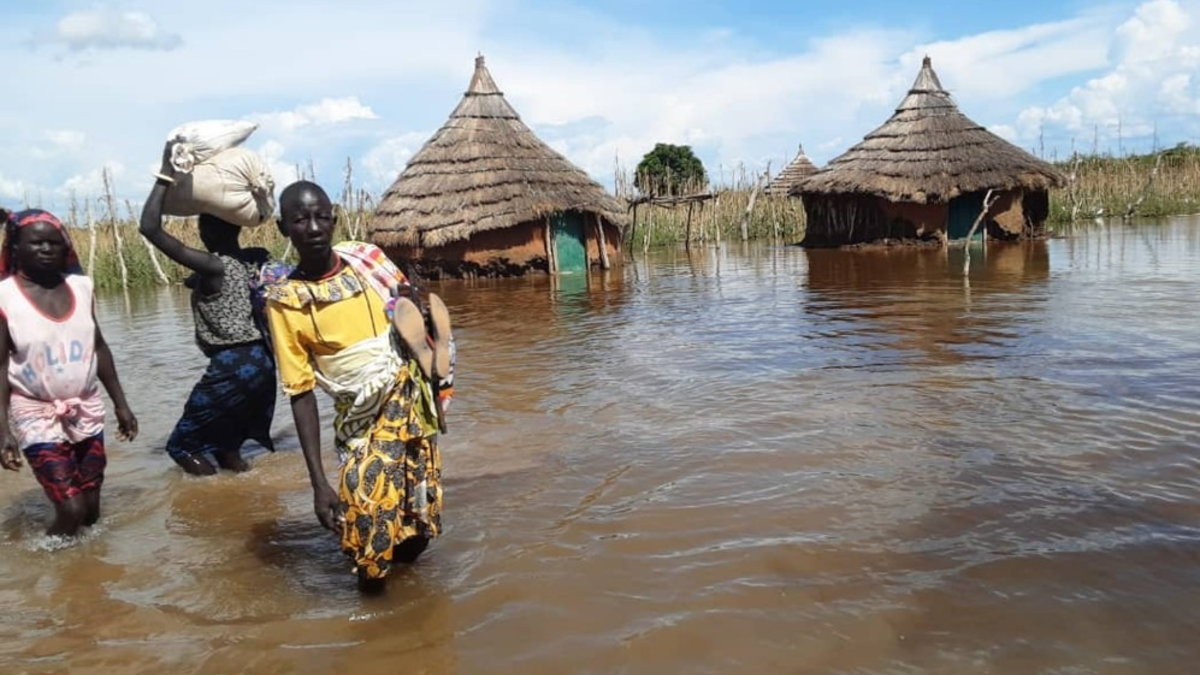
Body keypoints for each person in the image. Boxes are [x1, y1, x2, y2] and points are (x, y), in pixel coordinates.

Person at [263, 181, 454, 591]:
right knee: (369, 536)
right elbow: (300, 392)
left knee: (419, 528)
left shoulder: (369, 262)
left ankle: (406, 626)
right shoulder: (287, 301)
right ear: (283, 228)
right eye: (299, 219)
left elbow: (412, 311)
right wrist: (318, 482)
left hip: (411, 408)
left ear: (334, 218)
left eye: (320, 216)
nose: (312, 227)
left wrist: (436, 387)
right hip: (361, 424)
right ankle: (373, 610)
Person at [139, 142, 277, 476]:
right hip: (263, 363)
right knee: (226, 446)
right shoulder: (253, 259)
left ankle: (212, 500)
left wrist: (164, 176)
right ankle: (244, 493)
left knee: (181, 446)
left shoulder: (214, 266)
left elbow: (150, 229)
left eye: (203, 224)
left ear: (209, 229)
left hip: (231, 364)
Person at [0, 209, 138, 536]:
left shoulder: (82, 287)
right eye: (37, 243)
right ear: (16, 248)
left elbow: (99, 346)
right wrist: (3, 429)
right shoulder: (5, 298)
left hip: (85, 406)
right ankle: (51, 561)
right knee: (71, 508)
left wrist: (121, 404)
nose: (47, 249)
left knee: (91, 509)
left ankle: (87, 570)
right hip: (35, 411)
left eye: (54, 243)